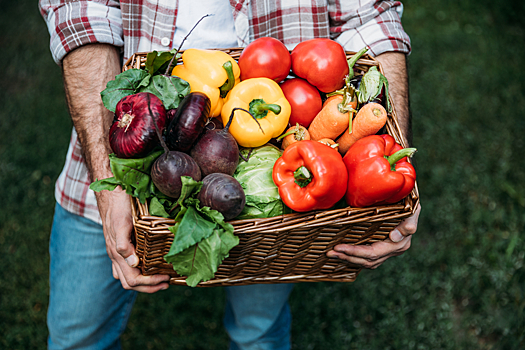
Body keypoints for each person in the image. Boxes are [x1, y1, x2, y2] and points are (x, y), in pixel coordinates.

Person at [39, 0, 420, 348]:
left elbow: (372, 17)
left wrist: (396, 190)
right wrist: (109, 187)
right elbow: (80, 13)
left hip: (283, 196)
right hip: (120, 148)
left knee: (260, 332)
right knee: (77, 334)